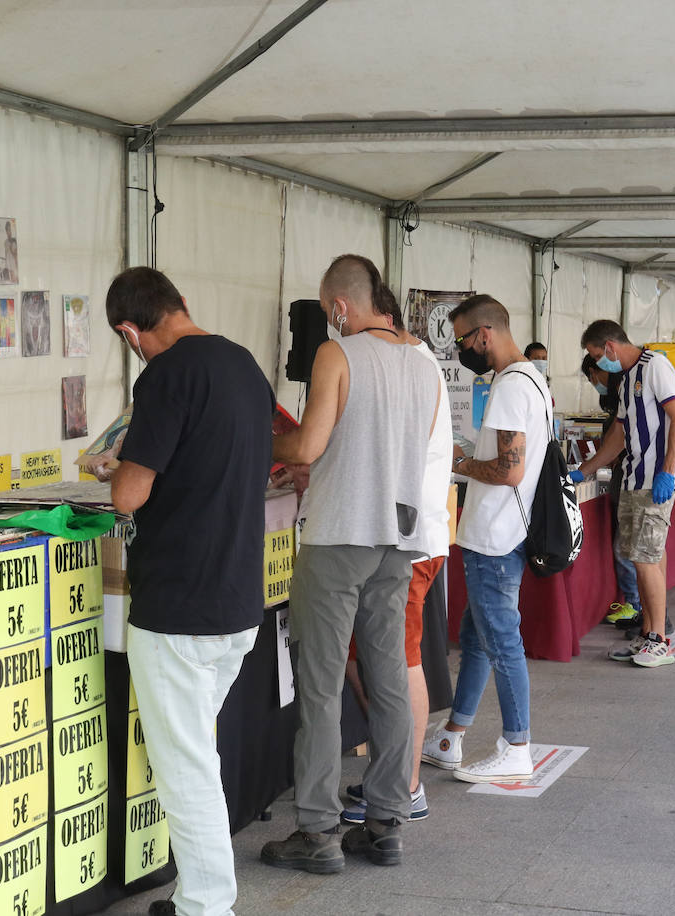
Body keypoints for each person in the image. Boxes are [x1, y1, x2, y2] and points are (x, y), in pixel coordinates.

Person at [105, 266, 274, 916]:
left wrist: (115, 466)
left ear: (130, 329)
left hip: (179, 603)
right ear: (181, 303)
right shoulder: (242, 365)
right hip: (237, 599)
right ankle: (196, 895)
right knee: (195, 752)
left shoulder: (167, 375)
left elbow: (129, 491)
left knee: (185, 768)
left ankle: (206, 904)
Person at [262, 254, 438, 873]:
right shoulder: (425, 365)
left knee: (319, 682)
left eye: (327, 308)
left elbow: (308, 443)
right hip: (397, 536)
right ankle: (387, 819)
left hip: (338, 538)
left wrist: (261, 440)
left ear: (339, 306)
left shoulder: (337, 354)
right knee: (388, 678)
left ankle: (318, 831)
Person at [419, 295, 550, 782]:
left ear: (485, 334)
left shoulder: (511, 386)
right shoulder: (531, 379)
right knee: (476, 636)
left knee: (500, 641)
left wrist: (458, 462)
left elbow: (509, 470)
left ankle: (518, 746)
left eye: (462, 340)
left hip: (494, 538)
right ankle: (452, 736)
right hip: (503, 533)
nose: (461, 351)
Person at [341, 284, 450, 826]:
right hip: (403, 534)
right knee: (374, 655)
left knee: (399, 660)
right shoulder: (412, 360)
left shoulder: (409, 362)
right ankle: (395, 774)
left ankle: (406, 785)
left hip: (407, 539)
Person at [574, 320, 675, 668]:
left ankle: (659, 640)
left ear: (609, 346)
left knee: (645, 558)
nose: (598, 364)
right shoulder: (626, 380)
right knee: (645, 556)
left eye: (597, 356)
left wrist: (667, 471)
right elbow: (619, 437)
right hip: (634, 480)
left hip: (655, 481)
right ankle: (648, 632)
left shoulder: (655, 366)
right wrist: (585, 469)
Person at [581, 355, 643, 629]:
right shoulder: (622, 394)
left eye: (593, 376)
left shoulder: (629, 391)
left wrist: (585, 469)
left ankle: (638, 608)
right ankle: (644, 611)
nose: (594, 383)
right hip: (627, 482)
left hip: (636, 484)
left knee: (629, 550)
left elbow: (616, 443)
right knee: (633, 550)